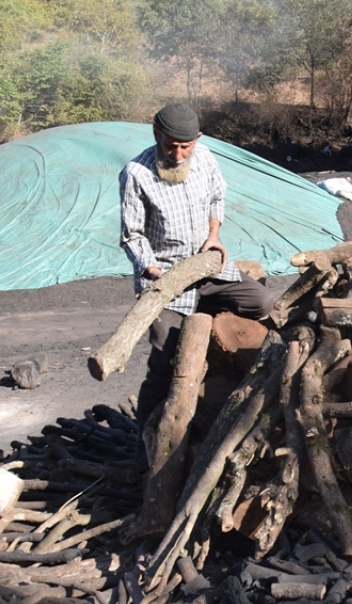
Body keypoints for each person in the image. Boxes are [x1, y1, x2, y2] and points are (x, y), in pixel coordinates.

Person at [120, 103, 276, 445]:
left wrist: (214, 234)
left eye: (185, 146)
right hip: (165, 279)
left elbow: (217, 197)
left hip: (206, 266)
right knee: (165, 361)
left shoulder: (204, 158)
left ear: (197, 140)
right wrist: (150, 268)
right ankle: (148, 445)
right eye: (170, 145)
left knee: (262, 302)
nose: (177, 154)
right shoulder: (136, 173)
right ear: (156, 135)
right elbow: (131, 234)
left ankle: (215, 372)